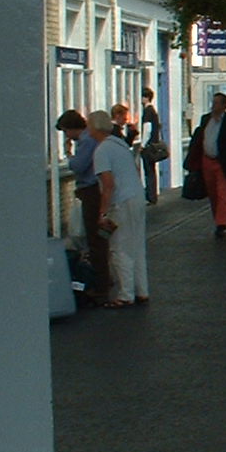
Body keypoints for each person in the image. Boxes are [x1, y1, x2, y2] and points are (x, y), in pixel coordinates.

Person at [87, 109, 148, 308]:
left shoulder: (102, 150)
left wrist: (103, 213)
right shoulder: (120, 144)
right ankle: (141, 290)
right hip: (137, 196)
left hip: (121, 202)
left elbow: (108, 184)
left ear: (94, 128)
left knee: (119, 248)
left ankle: (125, 294)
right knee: (137, 245)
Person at [57, 108, 110, 305]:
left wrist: (69, 155)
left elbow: (78, 166)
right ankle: (102, 281)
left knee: (94, 238)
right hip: (92, 189)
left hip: (91, 190)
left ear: (71, 128)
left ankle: (101, 285)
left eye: (65, 131)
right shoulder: (89, 140)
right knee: (95, 238)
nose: (66, 135)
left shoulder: (86, 141)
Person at [186, 92, 226, 238]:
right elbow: (198, 140)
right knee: (213, 193)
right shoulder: (205, 119)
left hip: (223, 163)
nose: (213, 106)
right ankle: (218, 219)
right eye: (213, 102)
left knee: (223, 194)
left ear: (224, 106)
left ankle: (222, 224)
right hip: (206, 162)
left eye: (217, 103)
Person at [139, 87, 164, 204]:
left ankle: (150, 196)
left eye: (142, 97)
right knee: (151, 171)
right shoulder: (153, 110)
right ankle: (152, 195)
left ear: (146, 97)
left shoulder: (148, 111)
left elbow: (147, 129)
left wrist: (143, 144)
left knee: (148, 171)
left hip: (149, 146)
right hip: (153, 144)